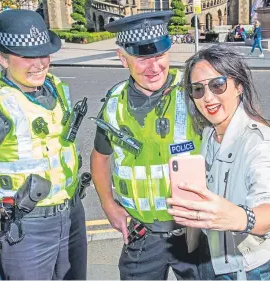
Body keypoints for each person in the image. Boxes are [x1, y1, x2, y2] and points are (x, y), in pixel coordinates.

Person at [90, 11, 202, 280]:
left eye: (159, 56)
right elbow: (100, 157)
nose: (154, 67)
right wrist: (108, 204)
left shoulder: (195, 91)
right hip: (142, 235)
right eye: (141, 58)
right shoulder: (114, 103)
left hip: (196, 232)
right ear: (122, 58)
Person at [0, 9, 87, 280]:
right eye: (27, 56)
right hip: (24, 228)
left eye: (43, 53)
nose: (39, 64)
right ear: (1, 57)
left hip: (71, 216)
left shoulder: (56, 87)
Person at [167, 45, 270, 280]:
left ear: (238, 86)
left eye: (217, 84)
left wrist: (239, 217)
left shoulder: (258, 142)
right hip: (212, 255)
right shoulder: (210, 134)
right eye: (198, 89)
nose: (208, 97)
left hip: (248, 268)